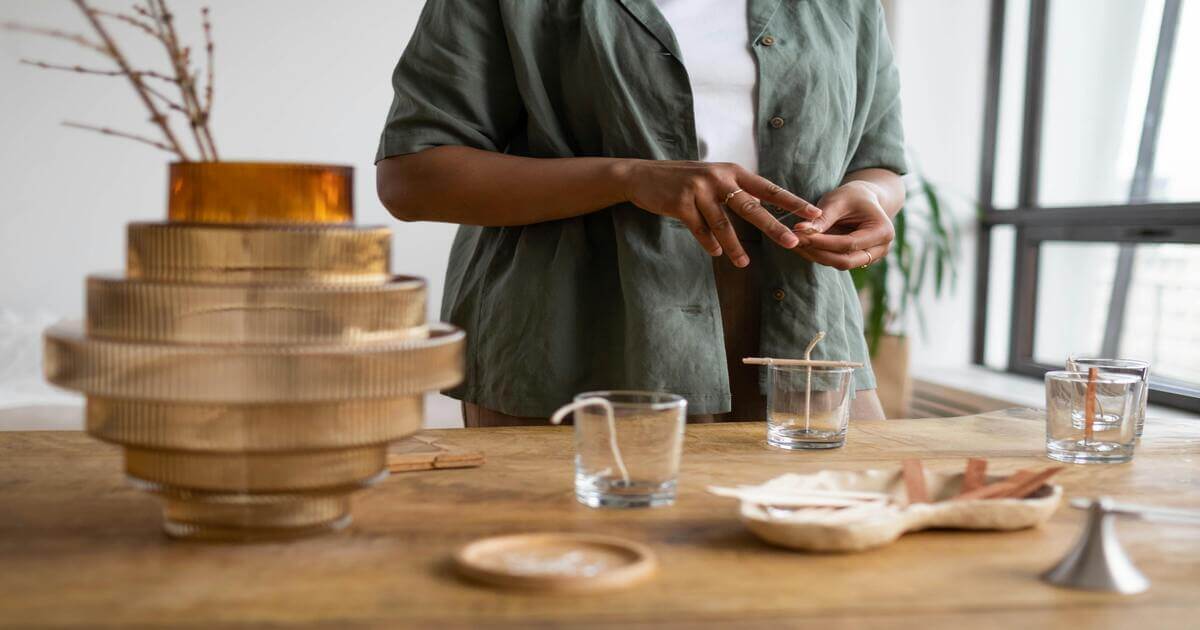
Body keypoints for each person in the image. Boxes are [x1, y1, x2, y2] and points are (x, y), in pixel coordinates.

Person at [375, 0, 907, 427]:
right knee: (587, 543)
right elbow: (411, 178)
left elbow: (879, 165)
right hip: (577, 329)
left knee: (835, 535)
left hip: (801, 332)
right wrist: (628, 178)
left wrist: (871, 198)